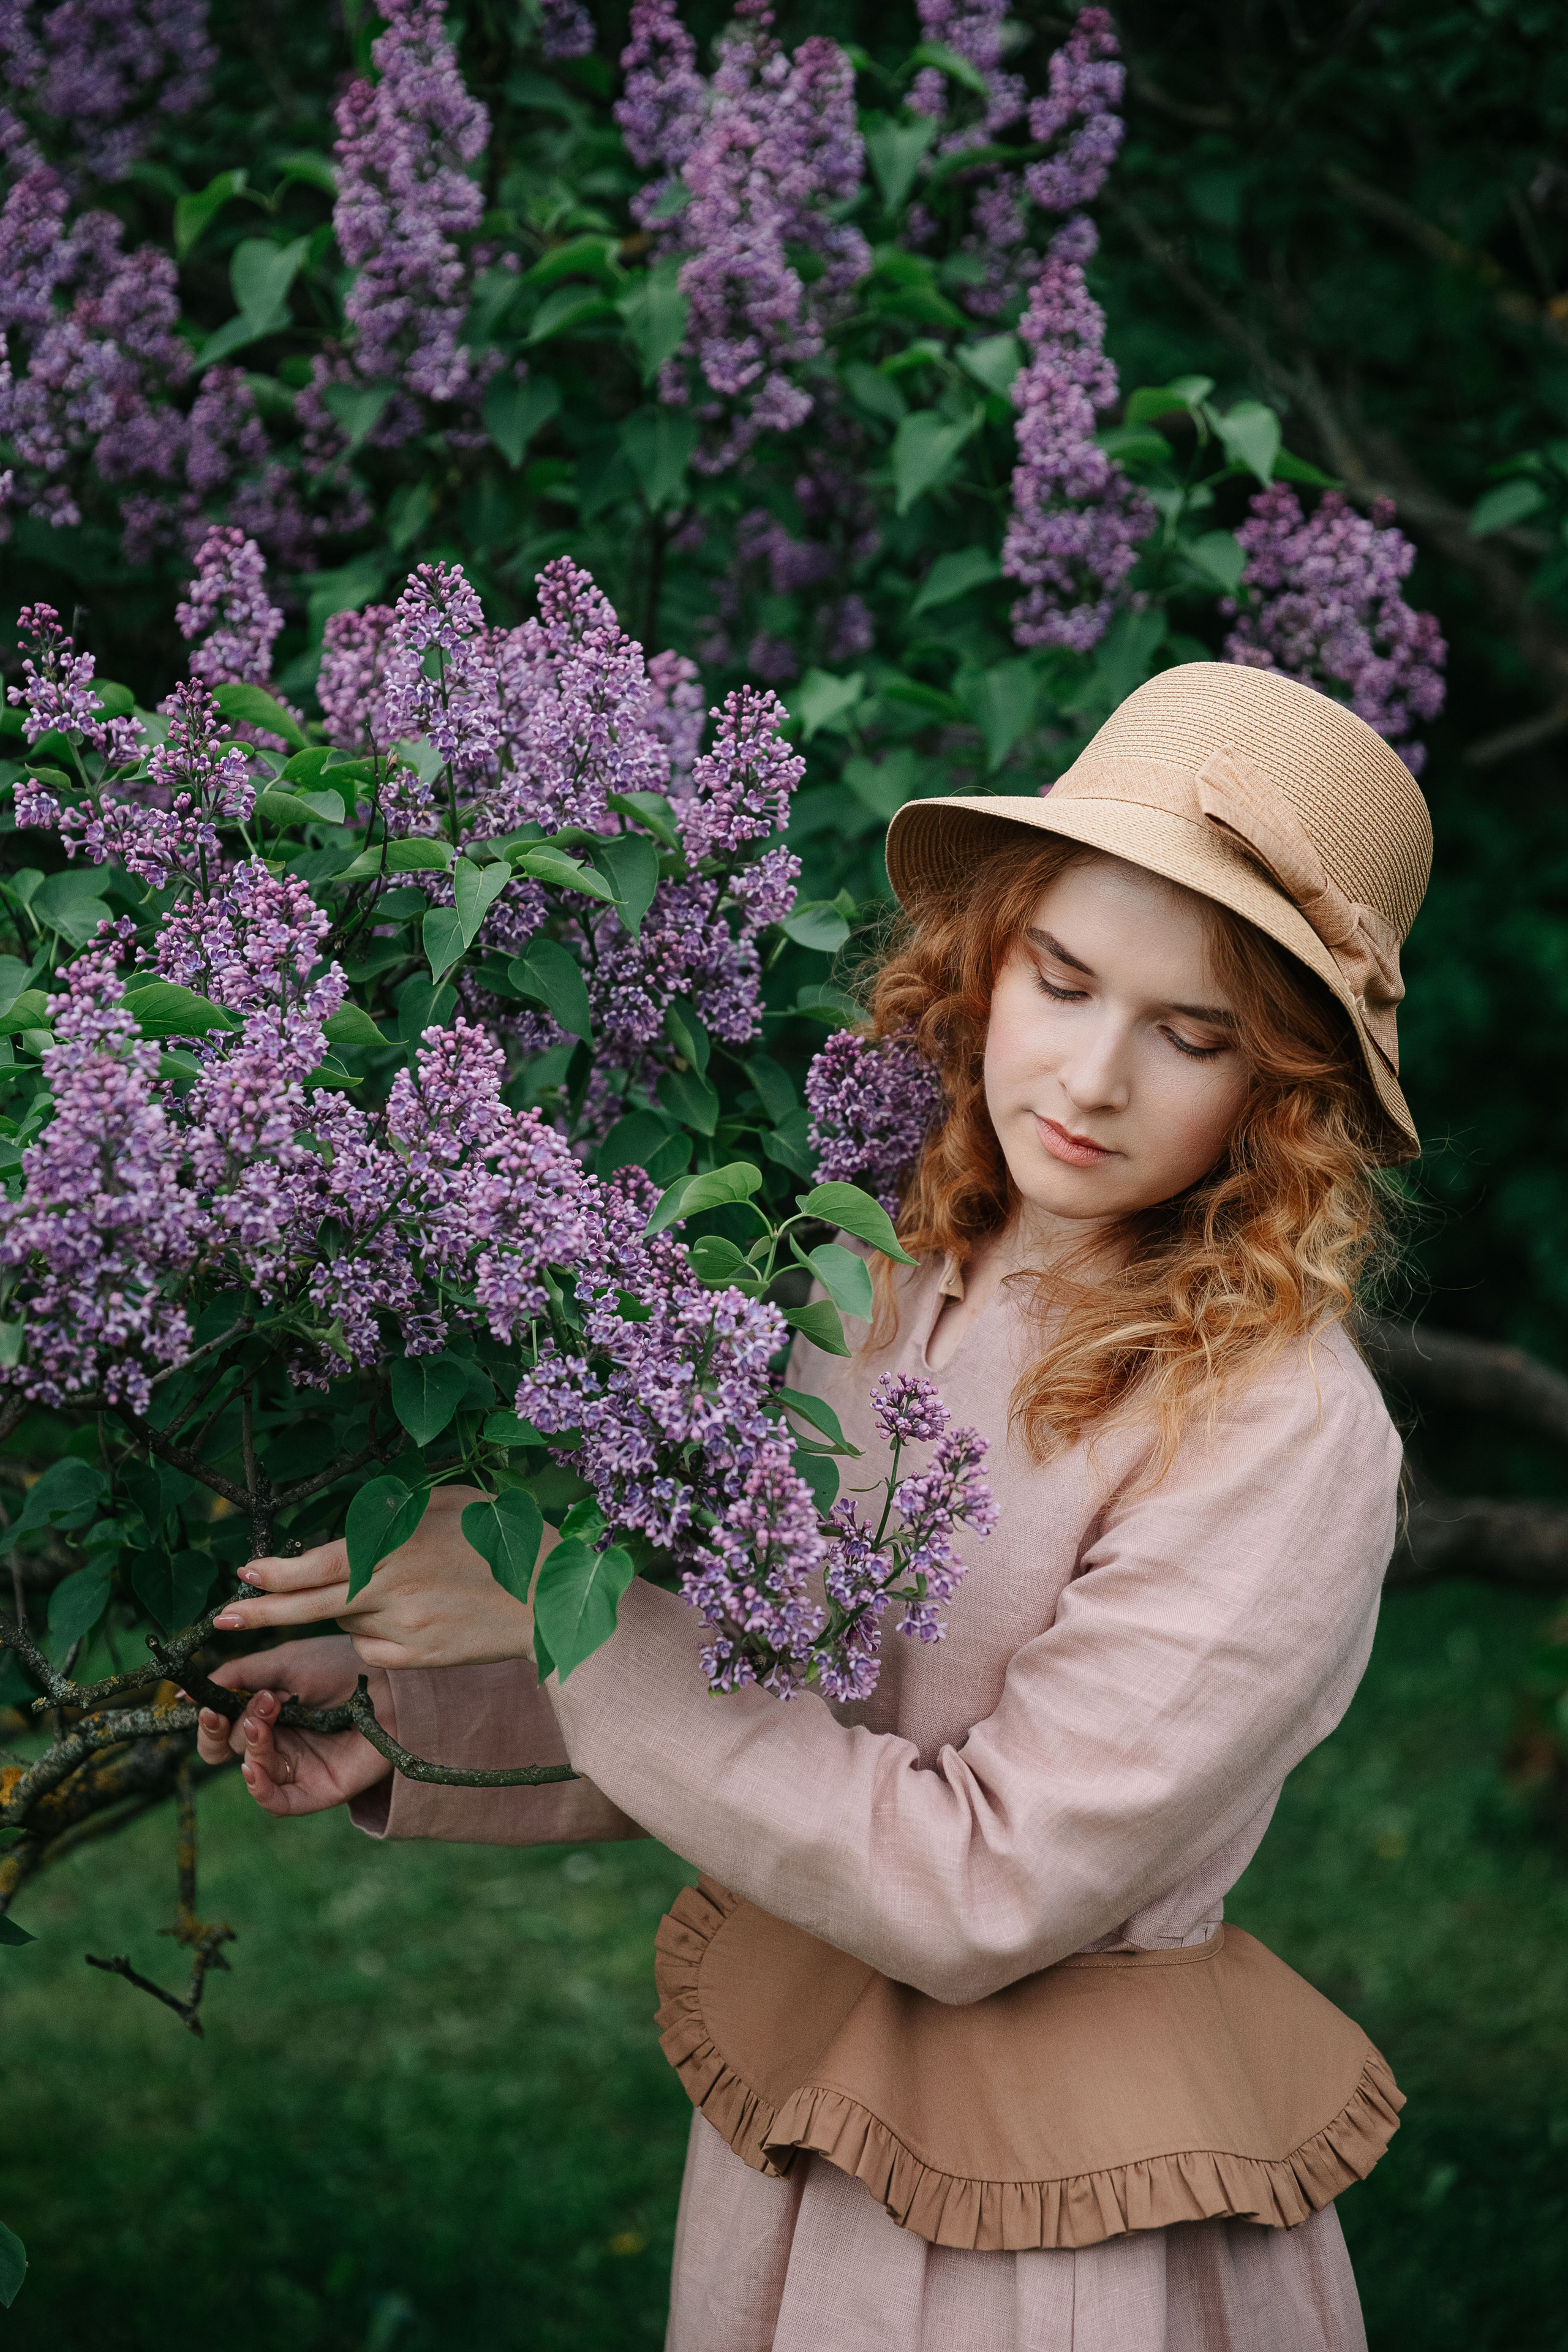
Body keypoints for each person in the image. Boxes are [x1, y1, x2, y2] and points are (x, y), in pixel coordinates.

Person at [197, 661, 1428, 2352]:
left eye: (1193, 1035)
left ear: (1281, 1092)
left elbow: (972, 1889)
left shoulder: (1282, 1436)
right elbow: (781, 1701)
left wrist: (557, 1607)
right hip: (808, 2141)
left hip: (1060, 2229)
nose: (1089, 1076)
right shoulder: (890, 1268)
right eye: (1061, 981)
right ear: (989, 960)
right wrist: (417, 1708)